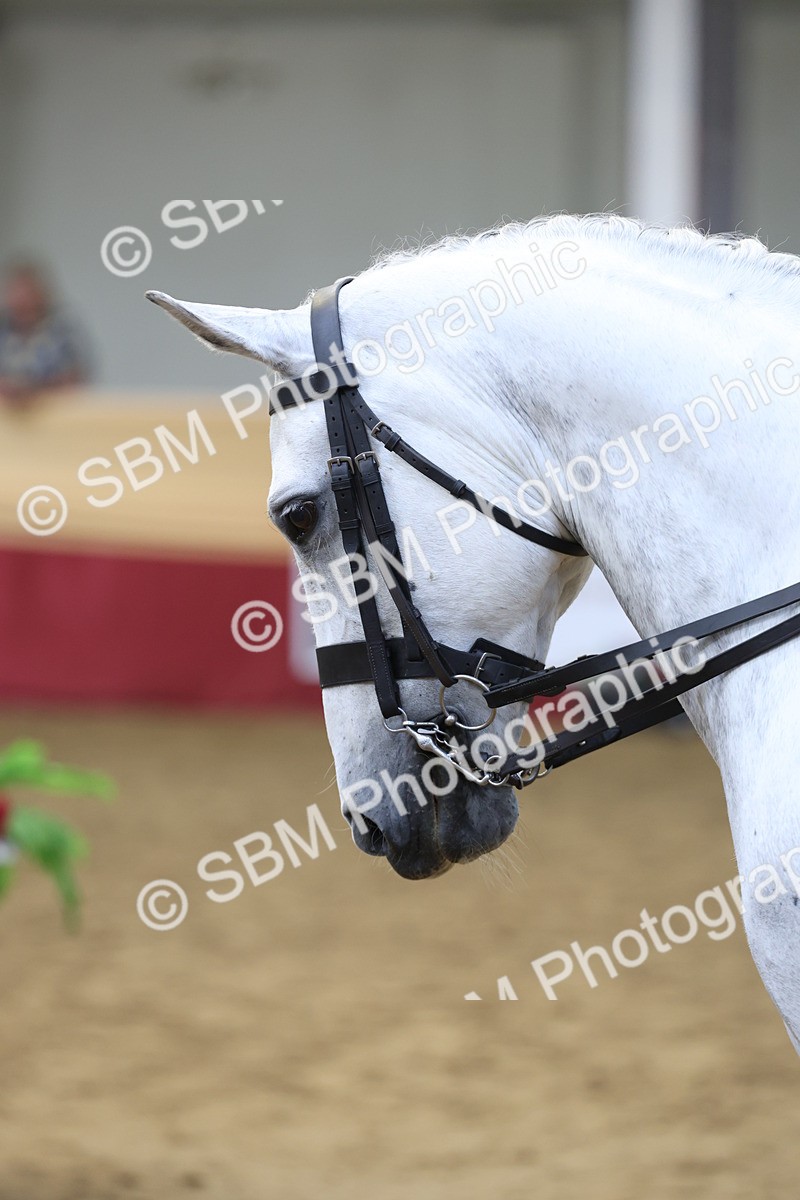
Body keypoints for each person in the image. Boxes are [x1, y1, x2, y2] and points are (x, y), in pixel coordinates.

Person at [0, 260, 88, 410]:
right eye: (17, 294)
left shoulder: (62, 331)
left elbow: (74, 379)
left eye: (29, 294)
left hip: (54, 417)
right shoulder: (4, 330)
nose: (23, 302)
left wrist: (33, 391)